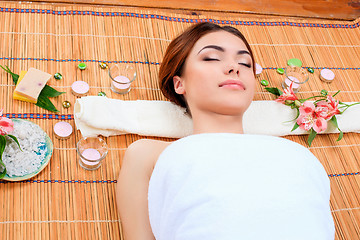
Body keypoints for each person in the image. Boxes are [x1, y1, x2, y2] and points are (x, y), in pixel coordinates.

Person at [116, 22, 335, 240]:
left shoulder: (298, 155)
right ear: (179, 83)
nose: (234, 67)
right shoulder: (148, 155)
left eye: (245, 63)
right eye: (211, 57)